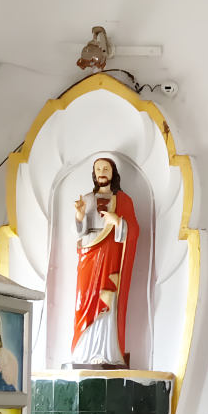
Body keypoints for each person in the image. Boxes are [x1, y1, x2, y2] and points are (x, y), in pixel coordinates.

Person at [70, 156, 139, 367]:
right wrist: (80, 216)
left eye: (105, 168)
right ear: (94, 173)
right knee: (84, 300)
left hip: (110, 252)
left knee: (107, 299)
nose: (102, 171)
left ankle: (107, 352)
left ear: (112, 173)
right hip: (88, 254)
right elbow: (80, 232)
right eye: (98, 168)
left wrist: (117, 221)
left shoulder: (124, 200)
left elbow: (134, 230)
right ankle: (82, 351)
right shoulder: (87, 198)